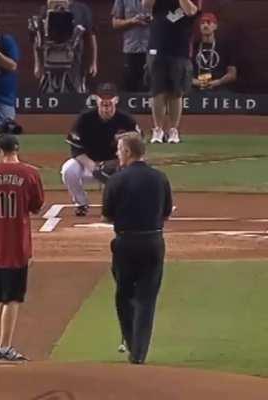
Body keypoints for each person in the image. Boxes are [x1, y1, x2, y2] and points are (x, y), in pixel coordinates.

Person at [102, 132, 172, 364]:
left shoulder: (116, 180)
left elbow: (107, 215)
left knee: (124, 295)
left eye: (119, 149)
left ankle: (131, 343)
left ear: (128, 152)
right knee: (146, 299)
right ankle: (139, 354)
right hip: (153, 242)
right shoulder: (160, 177)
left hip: (125, 244)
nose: (116, 153)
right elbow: (166, 212)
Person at [0, 134, 45, 361]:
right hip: (18, 246)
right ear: (16, 150)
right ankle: (5, 348)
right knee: (12, 298)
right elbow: (36, 206)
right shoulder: (31, 174)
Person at [61, 82, 141, 216]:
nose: (106, 107)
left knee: (133, 173)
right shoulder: (85, 119)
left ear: (116, 100)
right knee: (68, 170)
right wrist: (93, 166)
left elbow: (137, 147)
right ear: (97, 100)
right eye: (103, 102)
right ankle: (81, 203)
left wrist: (121, 164)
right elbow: (76, 150)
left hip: (116, 165)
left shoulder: (126, 120)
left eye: (109, 102)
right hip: (88, 164)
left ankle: (122, 204)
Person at [142, 0, 201, 144]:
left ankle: (173, 130)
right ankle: (158, 129)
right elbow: (146, 5)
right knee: (157, 92)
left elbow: (190, 11)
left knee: (176, 92)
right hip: (157, 48)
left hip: (179, 51)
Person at [33, 0, 98, 93]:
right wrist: (38, 64)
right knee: (49, 91)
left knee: (74, 89)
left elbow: (91, 36)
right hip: (50, 57)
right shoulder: (46, 9)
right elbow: (37, 37)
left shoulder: (82, 9)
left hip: (74, 58)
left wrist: (93, 62)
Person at [111, 0, 151, 92]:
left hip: (154, 51)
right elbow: (115, 24)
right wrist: (132, 21)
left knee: (154, 89)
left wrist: (159, 20)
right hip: (131, 50)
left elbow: (179, 14)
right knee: (130, 87)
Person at [192, 13, 237, 91]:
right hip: (196, 87)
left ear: (215, 26)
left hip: (219, 87)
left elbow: (232, 74)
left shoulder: (225, 46)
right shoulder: (193, 46)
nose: (205, 25)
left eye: (208, 22)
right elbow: (184, 73)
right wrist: (197, 82)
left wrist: (218, 82)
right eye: (202, 23)